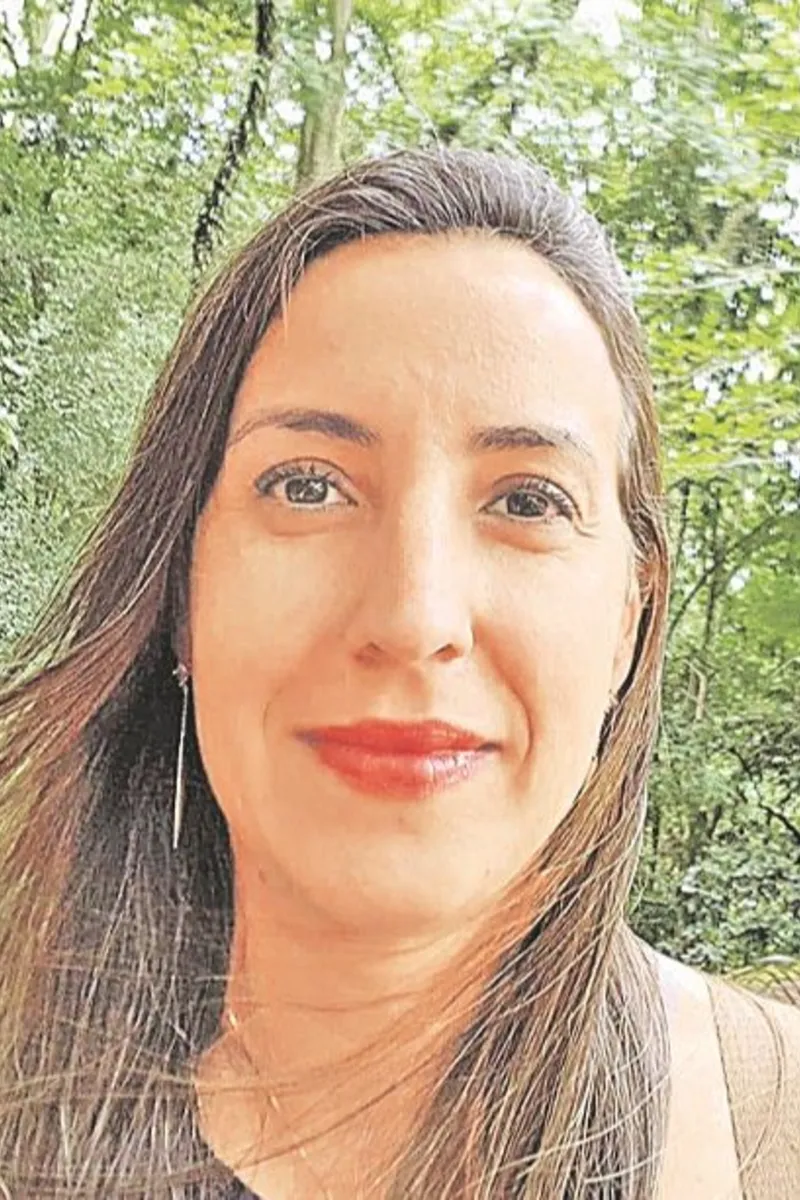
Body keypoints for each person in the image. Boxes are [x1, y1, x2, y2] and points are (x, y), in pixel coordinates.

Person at [0, 147, 797, 1200]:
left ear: (626, 619)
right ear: (180, 591)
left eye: (527, 501)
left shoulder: (771, 1132)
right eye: (307, 486)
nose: (413, 617)